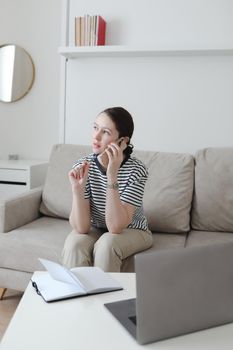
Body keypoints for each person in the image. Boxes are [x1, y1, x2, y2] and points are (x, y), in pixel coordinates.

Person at [62, 107, 153, 271]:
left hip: (132, 230)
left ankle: (107, 297)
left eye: (105, 132)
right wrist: (78, 190)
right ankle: (76, 296)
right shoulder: (83, 166)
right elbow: (81, 228)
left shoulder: (137, 170)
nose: (96, 136)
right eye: (95, 128)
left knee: (107, 244)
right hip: (96, 227)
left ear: (123, 141)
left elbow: (115, 227)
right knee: (74, 244)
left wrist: (112, 174)